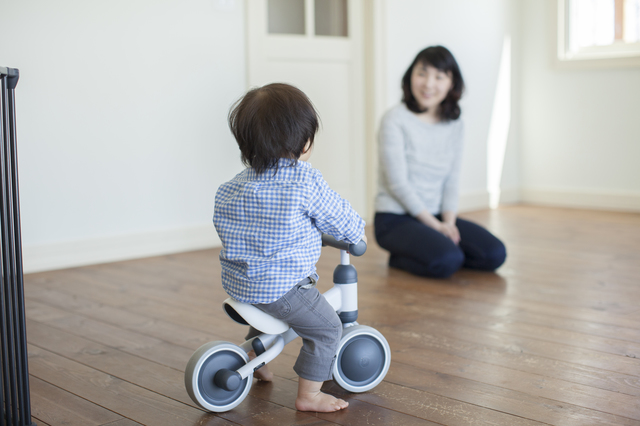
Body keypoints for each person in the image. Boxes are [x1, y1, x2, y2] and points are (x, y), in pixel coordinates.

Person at [213, 83, 366, 412]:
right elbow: (338, 216)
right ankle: (309, 395)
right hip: (283, 289)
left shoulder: (231, 187)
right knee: (326, 329)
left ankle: (256, 356)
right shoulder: (304, 180)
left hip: (241, 284)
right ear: (305, 141)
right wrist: (357, 233)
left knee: (270, 300)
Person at [374, 46, 506, 279]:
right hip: (395, 219)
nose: (428, 84)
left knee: (495, 254)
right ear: (410, 76)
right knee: (448, 260)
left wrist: (449, 223)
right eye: (422, 73)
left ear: (451, 83)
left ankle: (437, 248)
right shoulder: (394, 119)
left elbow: (452, 179)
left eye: (439, 76)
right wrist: (435, 228)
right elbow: (397, 184)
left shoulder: (455, 124)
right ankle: (402, 258)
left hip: (436, 216)